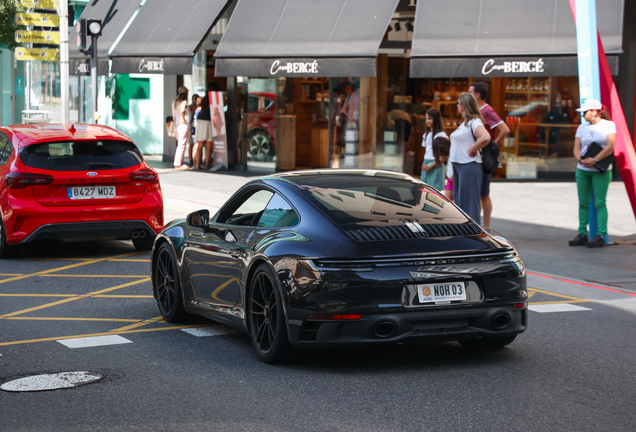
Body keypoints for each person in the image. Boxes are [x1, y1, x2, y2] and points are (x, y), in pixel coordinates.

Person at [569, 99, 616, 248]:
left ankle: (601, 235)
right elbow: (576, 148)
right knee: (583, 203)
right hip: (583, 169)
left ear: (594, 111)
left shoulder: (608, 125)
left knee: (600, 203)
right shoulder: (582, 127)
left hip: (600, 169)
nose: (583, 115)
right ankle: (582, 233)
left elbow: (611, 145)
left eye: (585, 112)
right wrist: (581, 160)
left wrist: (595, 159)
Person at [469, 82, 510, 229]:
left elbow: (505, 129)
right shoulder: (477, 110)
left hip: (483, 156)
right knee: (479, 192)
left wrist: (492, 144)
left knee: (483, 193)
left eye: (470, 92)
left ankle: (486, 227)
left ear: (477, 95)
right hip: (477, 156)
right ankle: (478, 225)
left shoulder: (486, 110)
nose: (468, 95)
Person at [449, 93, 491, 223]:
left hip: (468, 165)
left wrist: (473, 148)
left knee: (469, 204)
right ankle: (465, 232)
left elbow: (485, 137)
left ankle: (473, 234)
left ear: (464, 105)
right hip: (460, 166)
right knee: (461, 203)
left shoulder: (474, 122)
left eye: (458, 102)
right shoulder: (465, 124)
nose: (456, 105)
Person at [195, 82, 221, 170]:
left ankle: (198, 165)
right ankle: (206, 165)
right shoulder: (215, 99)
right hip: (209, 121)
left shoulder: (204, 99)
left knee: (200, 145)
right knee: (209, 145)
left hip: (200, 121)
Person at [421, 108, 449, 189]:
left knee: (434, 192)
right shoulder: (426, 135)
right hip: (426, 163)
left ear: (436, 119)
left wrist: (432, 164)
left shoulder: (441, 135)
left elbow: (445, 155)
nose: (427, 121)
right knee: (425, 190)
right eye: (426, 118)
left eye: (430, 118)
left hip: (436, 164)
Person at [172, 86, 190, 170]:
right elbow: (183, 110)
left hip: (177, 125)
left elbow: (172, 114)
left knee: (179, 145)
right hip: (182, 125)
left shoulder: (174, 102)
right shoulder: (183, 102)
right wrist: (183, 118)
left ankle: (178, 163)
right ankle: (178, 164)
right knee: (182, 145)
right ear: (185, 93)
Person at [188, 94, 200, 167]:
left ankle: (193, 160)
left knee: (193, 145)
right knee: (193, 145)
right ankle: (193, 161)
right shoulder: (192, 107)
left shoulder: (195, 108)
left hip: (192, 127)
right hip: (193, 127)